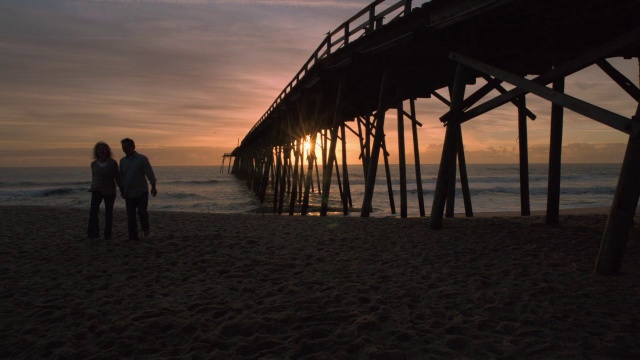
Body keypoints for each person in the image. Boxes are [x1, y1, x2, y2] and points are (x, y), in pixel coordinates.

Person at [119, 138, 157, 241]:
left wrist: (153, 186)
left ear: (133, 146)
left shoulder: (142, 159)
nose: (125, 149)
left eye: (126, 147)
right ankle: (133, 236)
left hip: (141, 191)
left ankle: (146, 229)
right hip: (128, 192)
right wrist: (122, 190)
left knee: (141, 212)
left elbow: (149, 172)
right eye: (123, 147)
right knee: (130, 216)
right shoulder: (122, 161)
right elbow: (121, 177)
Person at [88, 141, 123, 240]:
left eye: (103, 149)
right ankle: (93, 234)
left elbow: (117, 177)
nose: (101, 151)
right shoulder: (93, 164)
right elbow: (94, 177)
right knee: (93, 212)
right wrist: (93, 186)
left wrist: (121, 188)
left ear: (107, 150)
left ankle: (107, 235)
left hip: (109, 191)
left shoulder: (112, 163)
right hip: (96, 190)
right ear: (96, 151)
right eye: (99, 149)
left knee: (109, 214)